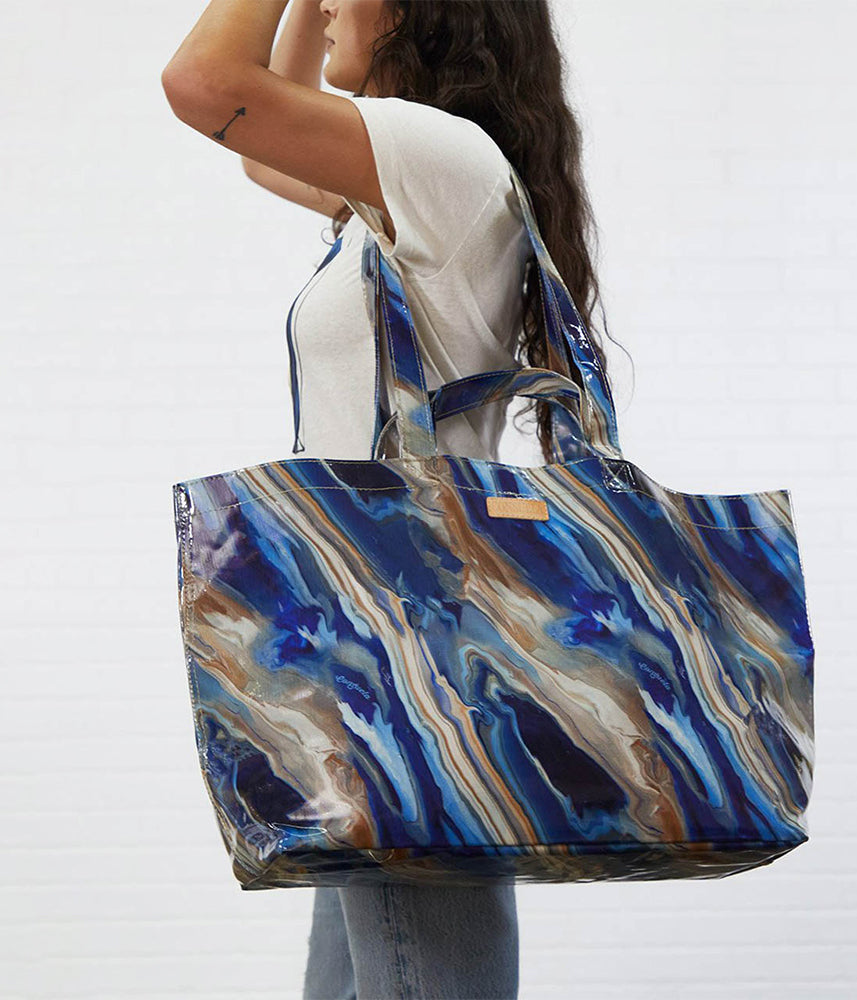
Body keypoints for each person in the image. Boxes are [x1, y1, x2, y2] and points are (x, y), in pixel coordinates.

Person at [162, 2, 622, 997]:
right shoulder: (421, 170)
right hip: (374, 637)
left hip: (400, 640)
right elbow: (257, 146)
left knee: (423, 967)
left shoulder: (437, 151)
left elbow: (206, 87)